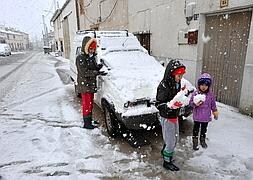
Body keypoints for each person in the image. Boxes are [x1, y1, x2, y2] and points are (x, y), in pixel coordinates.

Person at [156, 59, 187, 171]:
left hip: (174, 116)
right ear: (172, 74)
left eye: (182, 75)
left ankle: (166, 152)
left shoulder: (177, 83)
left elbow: (177, 97)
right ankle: (166, 162)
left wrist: (183, 94)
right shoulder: (164, 86)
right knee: (170, 141)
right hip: (167, 117)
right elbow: (159, 104)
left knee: (175, 138)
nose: (181, 78)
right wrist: (169, 106)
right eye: (179, 76)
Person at [76, 36, 106, 129]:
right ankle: (86, 124)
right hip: (85, 85)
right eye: (91, 49)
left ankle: (89, 120)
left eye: (94, 49)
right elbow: (84, 72)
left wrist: (98, 67)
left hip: (90, 85)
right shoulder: (80, 58)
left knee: (90, 104)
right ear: (86, 47)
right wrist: (96, 72)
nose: (92, 51)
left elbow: (92, 67)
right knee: (86, 104)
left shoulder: (91, 57)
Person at [189, 73, 218, 150]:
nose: (203, 87)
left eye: (206, 85)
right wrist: (195, 104)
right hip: (197, 117)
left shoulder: (210, 95)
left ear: (208, 86)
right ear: (199, 85)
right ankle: (195, 141)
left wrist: (215, 112)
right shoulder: (195, 93)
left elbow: (213, 105)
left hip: (206, 117)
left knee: (204, 130)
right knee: (196, 129)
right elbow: (190, 104)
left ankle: (202, 140)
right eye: (202, 84)